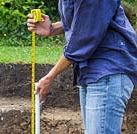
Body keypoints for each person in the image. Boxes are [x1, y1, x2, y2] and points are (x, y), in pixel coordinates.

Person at [27, 0, 137, 134]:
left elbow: (83, 38)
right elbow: (86, 19)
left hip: (108, 68)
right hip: (91, 70)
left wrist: (50, 76)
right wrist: (52, 28)